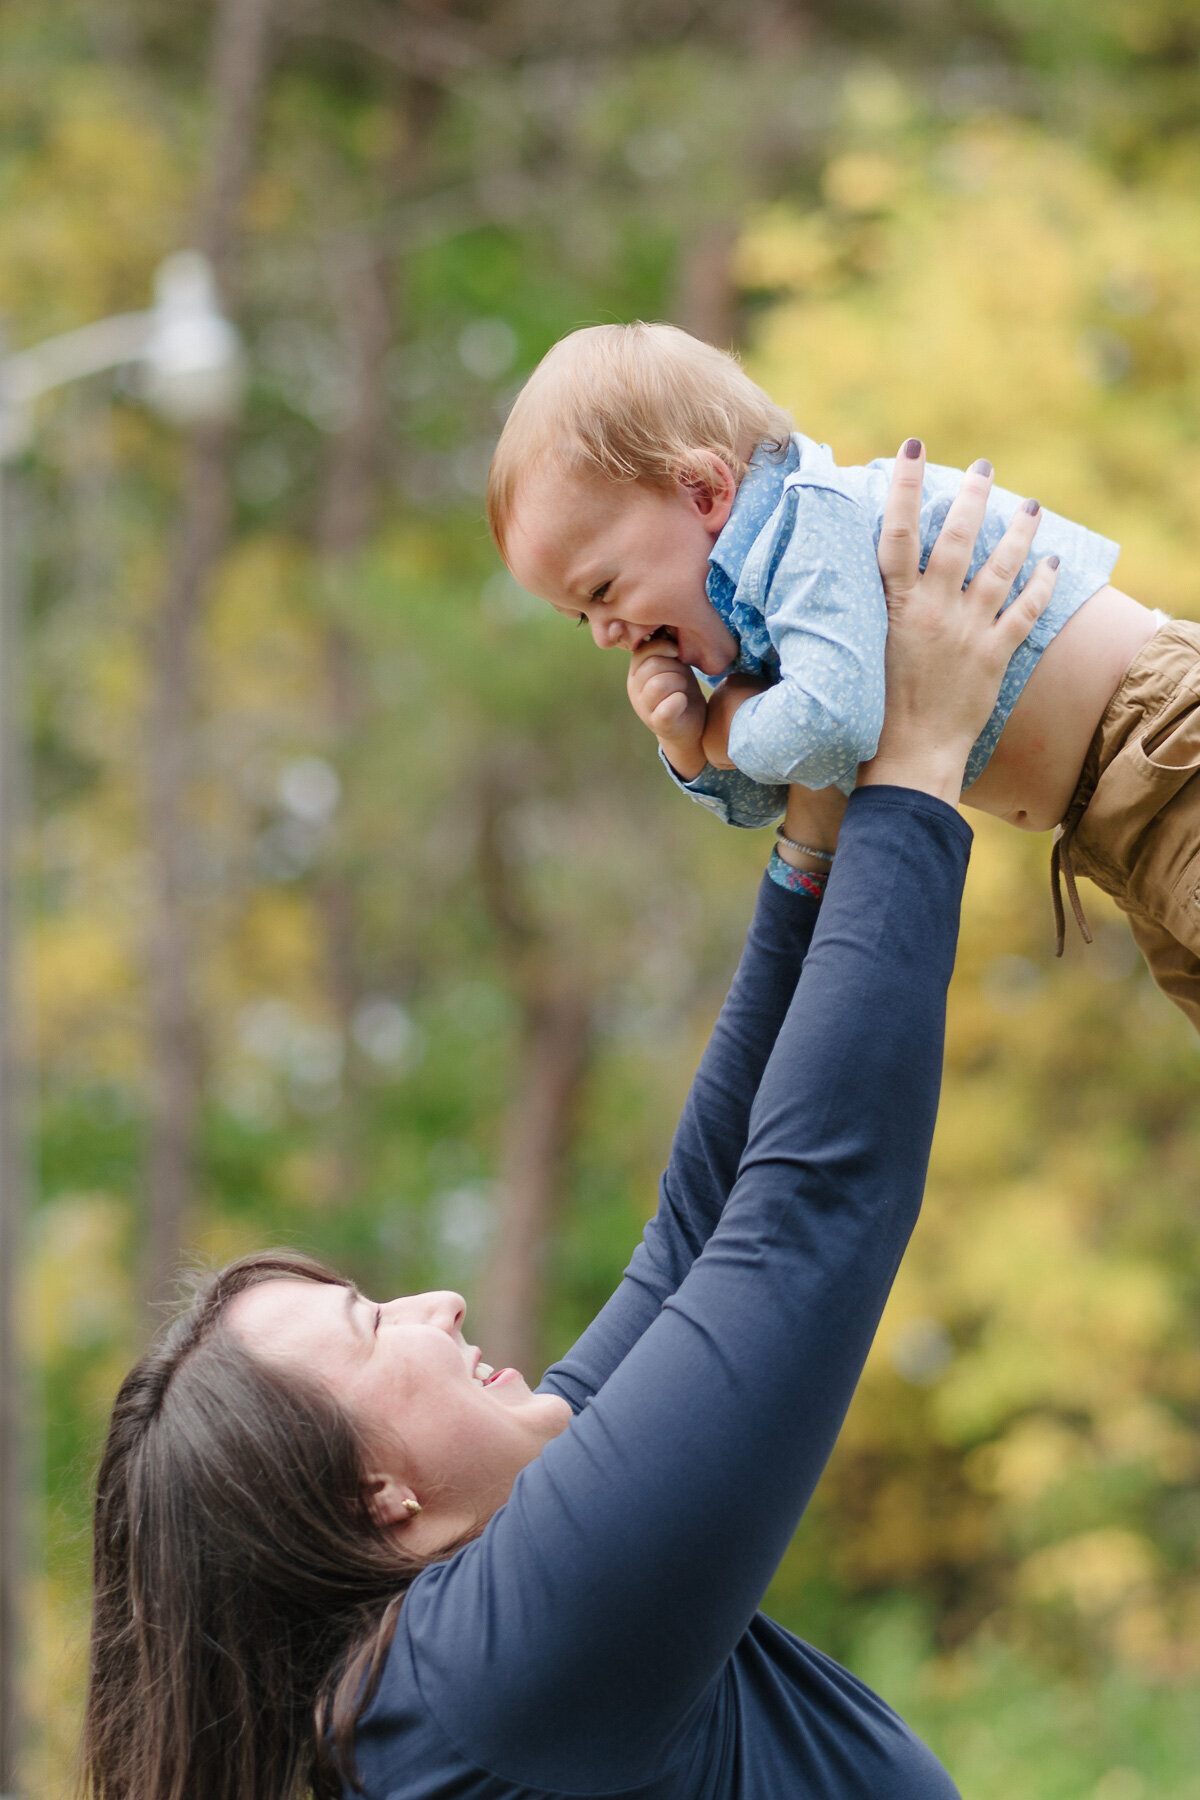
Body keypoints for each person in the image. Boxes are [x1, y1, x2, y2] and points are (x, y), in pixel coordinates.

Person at [84, 464, 1054, 1800]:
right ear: (378, 1501)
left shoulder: (467, 1622)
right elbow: (796, 1230)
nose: (436, 1302)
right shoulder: (490, 1689)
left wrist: (815, 848)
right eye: (374, 1330)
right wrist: (918, 772)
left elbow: (698, 1236)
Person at [487, 320, 1200, 1031]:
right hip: (1116, 821)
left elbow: (832, 721)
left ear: (704, 491)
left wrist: (730, 732)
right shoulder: (757, 608)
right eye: (580, 618)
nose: (608, 634)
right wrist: (689, 742)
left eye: (603, 590)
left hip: (1162, 741)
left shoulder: (806, 524)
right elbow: (778, 791)